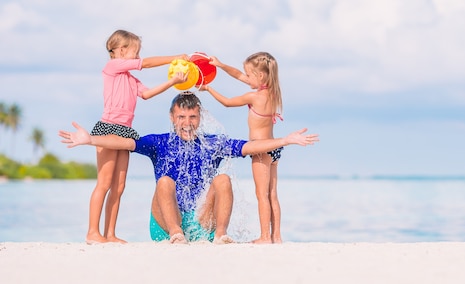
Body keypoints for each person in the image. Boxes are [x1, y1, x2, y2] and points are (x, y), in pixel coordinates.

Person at [59, 92, 319, 244]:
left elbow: (249, 147)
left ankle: (220, 236)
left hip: (202, 222)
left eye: (192, 117)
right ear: (172, 118)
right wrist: (90, 140)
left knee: (223, 179)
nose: (187, 122)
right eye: (181, 117)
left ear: (200, 117)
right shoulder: (158, 142)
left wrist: (285, 140)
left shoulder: (211, 143)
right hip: (164, 225)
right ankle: (176, 234)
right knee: (164, 182)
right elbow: (125, 142)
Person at [87, 29, 189, 244]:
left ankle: (110, 234)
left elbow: (146, 94)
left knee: (119, 186)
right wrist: (175, 58)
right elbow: (146, 63)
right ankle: (92, 233)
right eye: (135, 52)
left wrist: (172, 82)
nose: (137, 56)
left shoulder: (130, 79)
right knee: (104, 183)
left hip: (125, 130)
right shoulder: (112, 67)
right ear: (121, 50)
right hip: (108, 127)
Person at [199, 52, 286, 244]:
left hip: (260, 149)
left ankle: (264, 236)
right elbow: (238, 75)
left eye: (250, 75)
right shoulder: (273, 92)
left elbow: (227, 103)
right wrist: (220, 65)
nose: (246, 78)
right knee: (272, 194)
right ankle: (276, 236)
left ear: (261, 76)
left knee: (261, 194)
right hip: (274, 149)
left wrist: (209, 89)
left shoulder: (254, 97)